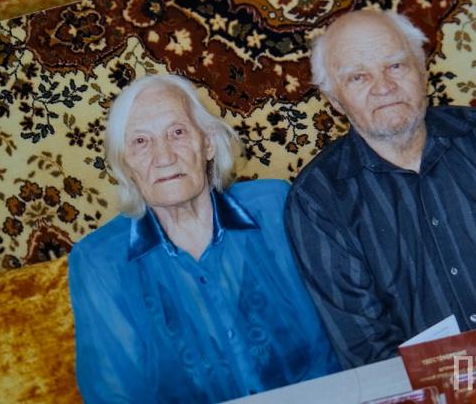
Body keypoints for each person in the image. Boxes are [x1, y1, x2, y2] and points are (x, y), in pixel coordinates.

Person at [284, 10, 476, 369]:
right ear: (335, 101)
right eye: (358, 77)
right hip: (433, 388)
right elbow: (366, 347)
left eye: (396, 66)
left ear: (423, 71)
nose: (384, 87)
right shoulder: (317, 200)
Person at [68, 74, 339, 404]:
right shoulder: (99, 262)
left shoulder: (275, 208)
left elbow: (337, 335)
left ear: (208, 142)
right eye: (140, 141)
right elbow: (115, 394)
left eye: (177, 133)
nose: (164, 157)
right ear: (125, 163)